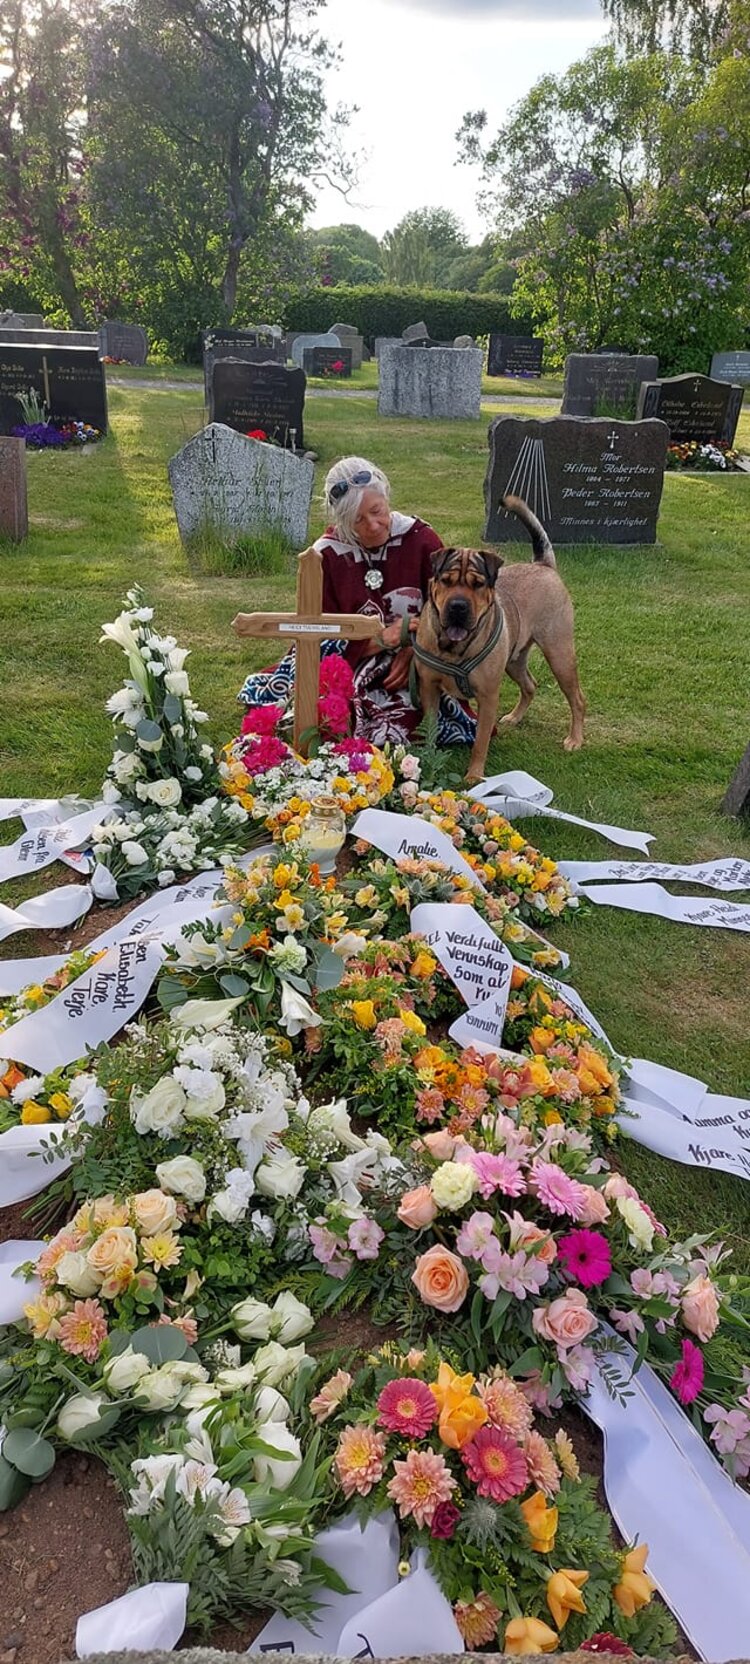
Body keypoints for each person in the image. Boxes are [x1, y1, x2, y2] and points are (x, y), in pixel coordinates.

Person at [237, 455, 477, 748]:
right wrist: (382, 639)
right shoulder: (325, 556)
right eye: (357, 520)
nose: (373, 525)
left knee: (419, 713)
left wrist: (416, 650)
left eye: (377, 510)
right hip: (353, 662)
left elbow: (450, 610)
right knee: (327, 714)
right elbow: (318, 635)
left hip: (422, 660)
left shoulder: (422, 540)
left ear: (386, 498)